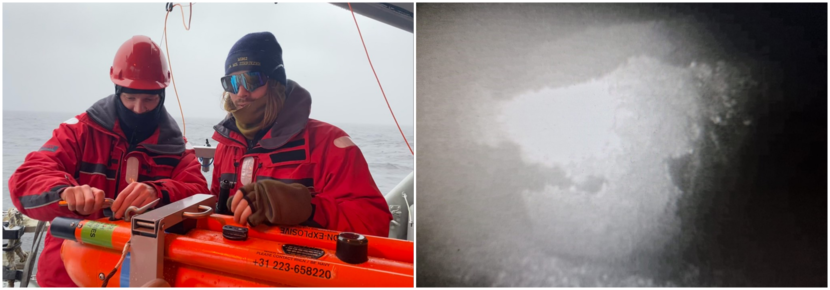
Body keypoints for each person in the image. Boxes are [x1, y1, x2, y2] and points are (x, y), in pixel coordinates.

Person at [8, 35, 209, 289]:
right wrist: (66, 191)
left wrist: (159, 192)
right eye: (130, 98)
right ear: (117, 91)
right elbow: (25, 180)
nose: (138, 108)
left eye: (149, 100)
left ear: (162, 95)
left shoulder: (178, 148)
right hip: (67, 278)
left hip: (142, 277)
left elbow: (200, 195)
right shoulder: (79, 131)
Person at [211, 32, 392, 237]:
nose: (241, 92)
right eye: (232, 83)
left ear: (275, 82)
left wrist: (307, 208)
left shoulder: (328, 143)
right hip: (233, 262)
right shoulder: (226, 146)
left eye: (252, 79)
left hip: (301, 265)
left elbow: (374, 224)